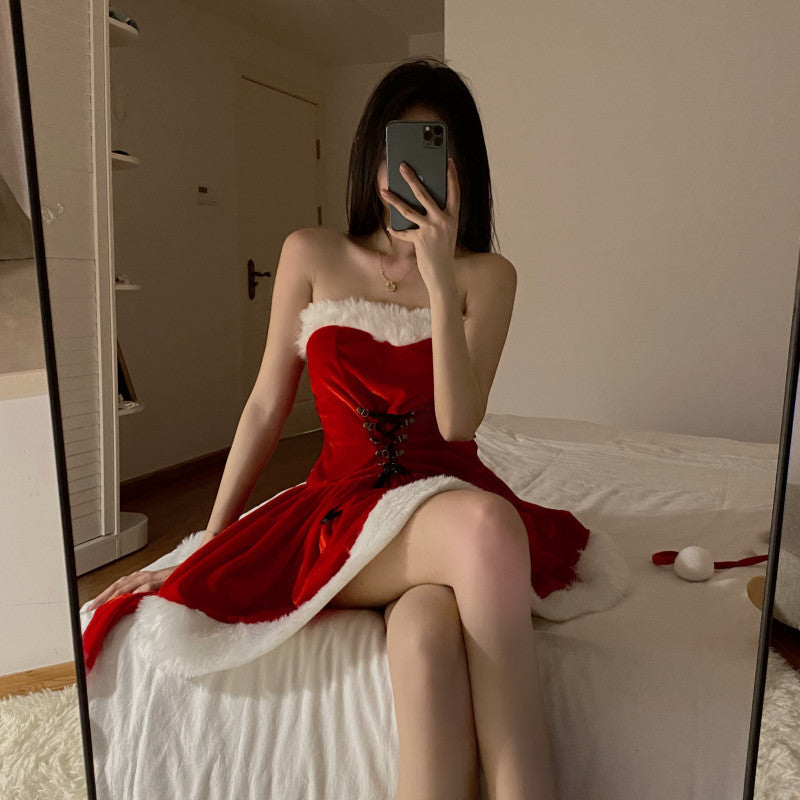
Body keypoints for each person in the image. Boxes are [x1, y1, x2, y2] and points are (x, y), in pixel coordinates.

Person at [85, 56, 629, 800]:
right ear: (371, 156)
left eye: (434, 153)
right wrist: (212, 534)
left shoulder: (489, 276)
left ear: (462, 168)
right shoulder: (311, 254)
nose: (409, 174)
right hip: (347, 515)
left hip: (444, 499)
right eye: (396, 149)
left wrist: (439, 277)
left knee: (428, 637)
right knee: (488, 530)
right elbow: (265, 405)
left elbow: (457, 423)